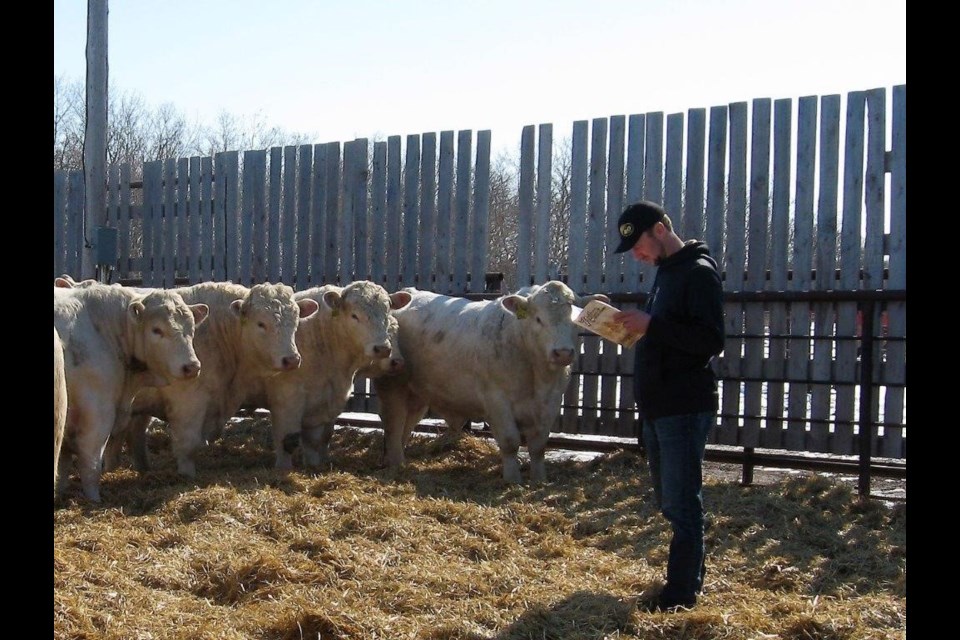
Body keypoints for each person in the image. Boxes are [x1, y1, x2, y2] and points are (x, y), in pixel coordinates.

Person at [611, 200, 725, 611]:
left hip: (683, 405)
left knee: (681, 502)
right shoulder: (667, 274)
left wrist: (652, 325)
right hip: (659, 406)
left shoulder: (698, 273)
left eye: (638, 245)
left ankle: (680, 596)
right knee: (669, 499)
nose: (637, 256)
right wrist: (637, 326)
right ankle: (687, 580)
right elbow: (669, 333)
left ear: (659, 230)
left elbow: (710, 340)